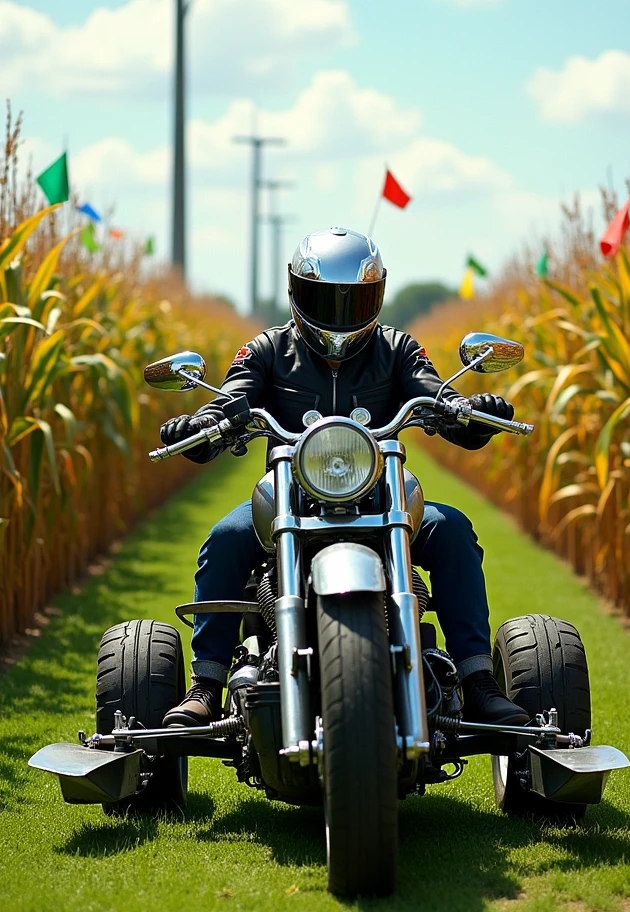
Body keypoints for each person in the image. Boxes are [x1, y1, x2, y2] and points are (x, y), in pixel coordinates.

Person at [159, 227, 528, 728]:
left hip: (381, 496)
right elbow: (233, 395)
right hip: (289, 500)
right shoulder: (267, 350)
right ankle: (205, 684)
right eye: (324, 299)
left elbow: (435, 391)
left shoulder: (397, 349)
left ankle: (477, 680)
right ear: (296, 293)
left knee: (455, 532)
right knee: (225, 538)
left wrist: (466, 409)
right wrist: (206, 422)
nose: (338, 313)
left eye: (353, 299)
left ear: (375, 295)